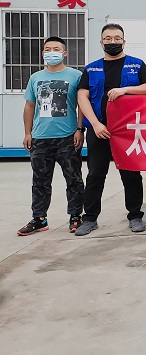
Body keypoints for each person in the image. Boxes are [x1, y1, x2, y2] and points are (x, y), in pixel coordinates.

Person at [75, 23, 146, 236]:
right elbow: (82, 97)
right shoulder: (91, 68)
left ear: (124, 41)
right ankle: (90, 218)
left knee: (131, 174)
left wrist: (125, 89)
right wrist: (95, 124)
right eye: (108, 38)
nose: (113, 42)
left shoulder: (136, 65)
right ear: (101, 42)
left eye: (117, 38)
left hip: (127, 131)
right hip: (99, 129)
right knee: (95, 175)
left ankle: (135, 216)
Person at [17, 36, 85, 236]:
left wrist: (80, 129)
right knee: (40, 181)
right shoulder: (35, 77)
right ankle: (39, 218)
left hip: (67, 137)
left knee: (73, 179)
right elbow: (29, 106)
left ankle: (75, 216)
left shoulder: (75, 76)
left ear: (65, 53)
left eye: (56, 49)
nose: (51, 52)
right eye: (47, 49)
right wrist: (28, 132)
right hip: (40, 138)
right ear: (42, 53)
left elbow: (82, 104)